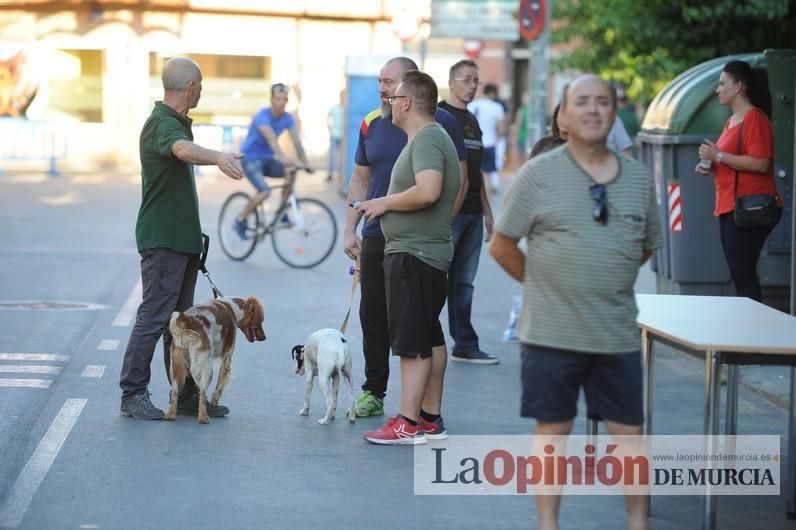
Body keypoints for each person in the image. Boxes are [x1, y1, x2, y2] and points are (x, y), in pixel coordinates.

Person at [490, 75, 663, 530]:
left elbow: (646, 245)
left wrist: (605, 275)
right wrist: (546, 283)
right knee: (553, 434)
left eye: (602, 102)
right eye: (581, 102)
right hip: (551, 330)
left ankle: (638, 524)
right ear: (563, 117)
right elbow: (502, 245)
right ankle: (549, 526)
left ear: (614, 114)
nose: (592, 109)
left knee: (630, 435)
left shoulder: (640, 180)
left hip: (616, 331)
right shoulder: (538, 174)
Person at [119, 57, 246, 420]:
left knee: (181, 324)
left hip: (182, 241)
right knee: (156, 317)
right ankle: (132, 392)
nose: (202, 90)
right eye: (201, 84)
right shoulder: (163, 124)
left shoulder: (175, 123)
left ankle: (187, 395)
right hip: (163, 241)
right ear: (190, 87)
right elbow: (181, 150)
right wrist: (219, 157)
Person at [343, 57, 467, 419]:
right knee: (376, 315)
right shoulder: (372, 122)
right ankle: (376, 392)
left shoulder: (435, 125)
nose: (384, 90)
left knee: (417, 328)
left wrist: (437, 224)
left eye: (390, 84)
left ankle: (415, 418)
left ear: (409, 92)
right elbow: (360, 179)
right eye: (381, 82)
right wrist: (351, 228)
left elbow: (452, 183)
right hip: (379, 234)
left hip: (417, 243)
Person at [697, 60, 782, 302]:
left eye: (723, 84)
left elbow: (760, 163)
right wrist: (712, 164)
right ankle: (749, 331)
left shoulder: (754, 118)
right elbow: (732, 163)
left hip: (750, 208)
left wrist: (720, 155)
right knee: (740, 274)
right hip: (729, 206)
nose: (718, 90)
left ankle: (754, 334)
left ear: (739, 86)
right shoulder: (731, 121)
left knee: (743, 275)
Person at [438, 59, 498, 364]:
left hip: (474, 211)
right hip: (450, 211)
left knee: (464, 281)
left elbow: (476, 171)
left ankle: (464, 344)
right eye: (467, 80)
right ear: (452, 82)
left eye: (476, 80)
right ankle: (427, 338)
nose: (473, 85)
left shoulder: (473, 120)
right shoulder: (439, 116)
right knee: (438, 278)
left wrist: (488, 212)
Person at [234, 82, 311, 240]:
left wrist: (305, 162)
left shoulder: (287, 118)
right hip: (250, 159)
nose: (281, 102)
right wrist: (282, 157)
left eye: (284, 99)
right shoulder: (262, 116)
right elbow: (270, 138)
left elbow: (296, 141)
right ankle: (240, 218)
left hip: (267, 159)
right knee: (264, 191)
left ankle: (281, 212)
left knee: (290, 171)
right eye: (278, 99)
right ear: (271, 100)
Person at [468, 82, 506, 193]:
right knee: (488, 178)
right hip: (490, 145)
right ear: (493, 93)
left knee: (472, 177)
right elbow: (501, 129)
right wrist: (497, 139)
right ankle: (487, 206)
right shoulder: (497, 107)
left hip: (473, 145)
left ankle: (474, 205)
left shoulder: (472, 105)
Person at [326, 92, 344, 181]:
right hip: (334, 135)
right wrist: (329, 128)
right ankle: (330, 174)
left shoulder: (346, 109)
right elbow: (328, 117)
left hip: (344, 136)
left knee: (343, 156)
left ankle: (342, 174)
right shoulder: (335, 108)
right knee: (332, 155)